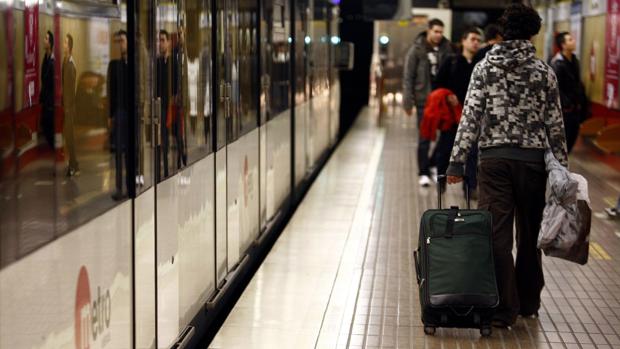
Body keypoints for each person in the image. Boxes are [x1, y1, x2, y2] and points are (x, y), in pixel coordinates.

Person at [446, 4, 568, 328]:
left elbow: (470, 116)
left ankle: (503, 308)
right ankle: (528, 301)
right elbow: (555, 125)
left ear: (503, 31)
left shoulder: (485, 68)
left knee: (496, 236)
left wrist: (457, 161)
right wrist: (563, 170)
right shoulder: (544, 71)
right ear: (533, 33)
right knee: (529, 236)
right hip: (532, 164)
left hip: (494, 162)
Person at [402, 18, 453, 187]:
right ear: (428, 31)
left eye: (441, 32)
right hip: (424, 100)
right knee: (425, 137)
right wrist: (408, 101)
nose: (438, 35)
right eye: (436, 31)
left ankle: (431, 164)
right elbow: (408, 77)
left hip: (442, 100)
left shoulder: (448, 49)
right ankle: (423, 172)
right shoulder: (416, 50)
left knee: (445, 136)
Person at [433, 27, 481, 184]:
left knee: (472, 152)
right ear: (463, 41)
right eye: (472, 39)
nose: (476, 43)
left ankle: (470, 186)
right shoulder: (451, 61)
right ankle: (442, 181)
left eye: (478, 40)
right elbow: (437, 84)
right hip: (451, 115)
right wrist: (448, 96)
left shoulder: (480, 64)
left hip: (472, 115)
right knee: (445, 148)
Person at [551, 32, 589, 153]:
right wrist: (566, 104)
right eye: (570, 40)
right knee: (564, 140)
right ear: (563, 44)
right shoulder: (557, 64)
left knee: (572, 137)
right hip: (565, 109)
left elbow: (578, 83)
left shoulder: (575, 60)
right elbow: (556, 87)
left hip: (575, 108)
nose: (573, 42)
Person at [107, 30, 131, 200]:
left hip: (131, 113)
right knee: (118, 154)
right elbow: (111, 91)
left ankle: (130, 186)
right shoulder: (114, 65)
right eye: (119, 41)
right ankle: (118, 187)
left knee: (130, 152)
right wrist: (110, 115)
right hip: (119, 112)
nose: (121, 44)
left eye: (123, 40)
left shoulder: (133, 64)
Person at [62, 33, 79, 177]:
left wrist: (68, 108)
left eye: (66, 43)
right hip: (65, 106)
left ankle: (73, 165)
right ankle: (74, 164)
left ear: (70, 46)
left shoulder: (71, 65)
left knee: (70, 137)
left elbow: (71, 90)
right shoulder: (65, 61)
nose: (64, 45)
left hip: (69, 107)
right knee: (68, 137)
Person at [157, 29, 172, 179]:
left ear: (168, 42)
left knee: (169, 136)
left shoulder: (172, 62)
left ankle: (168, 167)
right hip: (160, 105)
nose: (160, 43)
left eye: (163, 40)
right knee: (162, 137)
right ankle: (163, 168)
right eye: (159, 40)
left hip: (170, 105)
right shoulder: (158, 62)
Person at [40, 30, 55, 150]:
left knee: (49, 127)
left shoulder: (52, 62)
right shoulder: (45, 58)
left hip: (50, 102)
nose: (44, 41)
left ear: (50, 43)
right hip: (45, 100)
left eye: (46, 38)